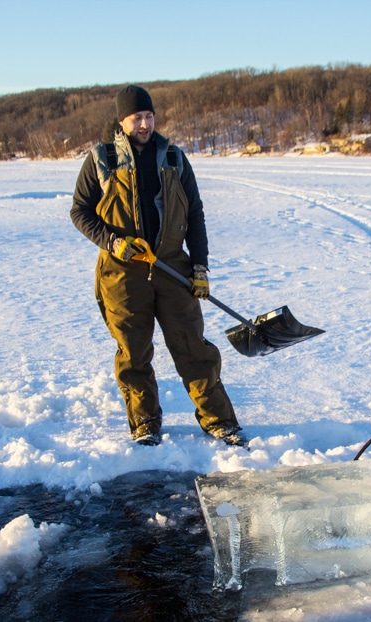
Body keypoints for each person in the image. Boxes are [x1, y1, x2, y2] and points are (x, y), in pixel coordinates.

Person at [70, 85, 244, 447]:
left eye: (149, 116)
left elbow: (194, 212)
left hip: (171, 265)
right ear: (123, 121)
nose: (145, 124)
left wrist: (199, 267)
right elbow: (79, 212)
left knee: (193, 346)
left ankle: (219, 420)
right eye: (138, 118)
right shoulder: (101, 159)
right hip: (121, 272)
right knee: (133, 352)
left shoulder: (174, 157)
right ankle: (145, 421)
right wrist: (115, 242)